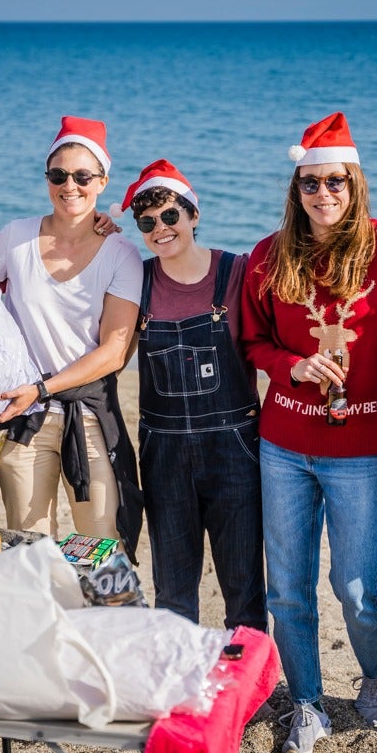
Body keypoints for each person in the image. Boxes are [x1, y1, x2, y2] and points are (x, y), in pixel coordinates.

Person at [241, 112, 377, 753]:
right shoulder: (269, 255)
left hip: (364, 449)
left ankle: (376, 673)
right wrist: (290, 365)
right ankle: (309, 703)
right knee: (288, 588)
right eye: (310, 184)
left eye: (336, 182)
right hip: (284, 446)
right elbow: (252, 341)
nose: (323, 195)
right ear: (296, 190)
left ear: (356, 184)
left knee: (357, 590)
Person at [0, 116, 144, 560]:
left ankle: (93, 629)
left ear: (103, 182)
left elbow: (113, 352)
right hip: (20, 414)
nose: (69, 186)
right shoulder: (15, 237)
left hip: (89, 413)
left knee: (101, 548)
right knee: (30, 550)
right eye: (58, 175)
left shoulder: (123, 255)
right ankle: (44, 630)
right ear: (47, 180)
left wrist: (44, 387)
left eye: (82, 176)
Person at [119, 159, 266, 631]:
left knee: (243, 581)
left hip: (235, 448)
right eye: (147, 223)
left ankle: (249, 689)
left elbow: (275, 335)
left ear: (193, 215)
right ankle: (178, 685)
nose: (160, 229)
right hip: (163, 451)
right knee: (173, 585)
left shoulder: (237, 272)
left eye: (170, 216)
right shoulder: (133, 280)